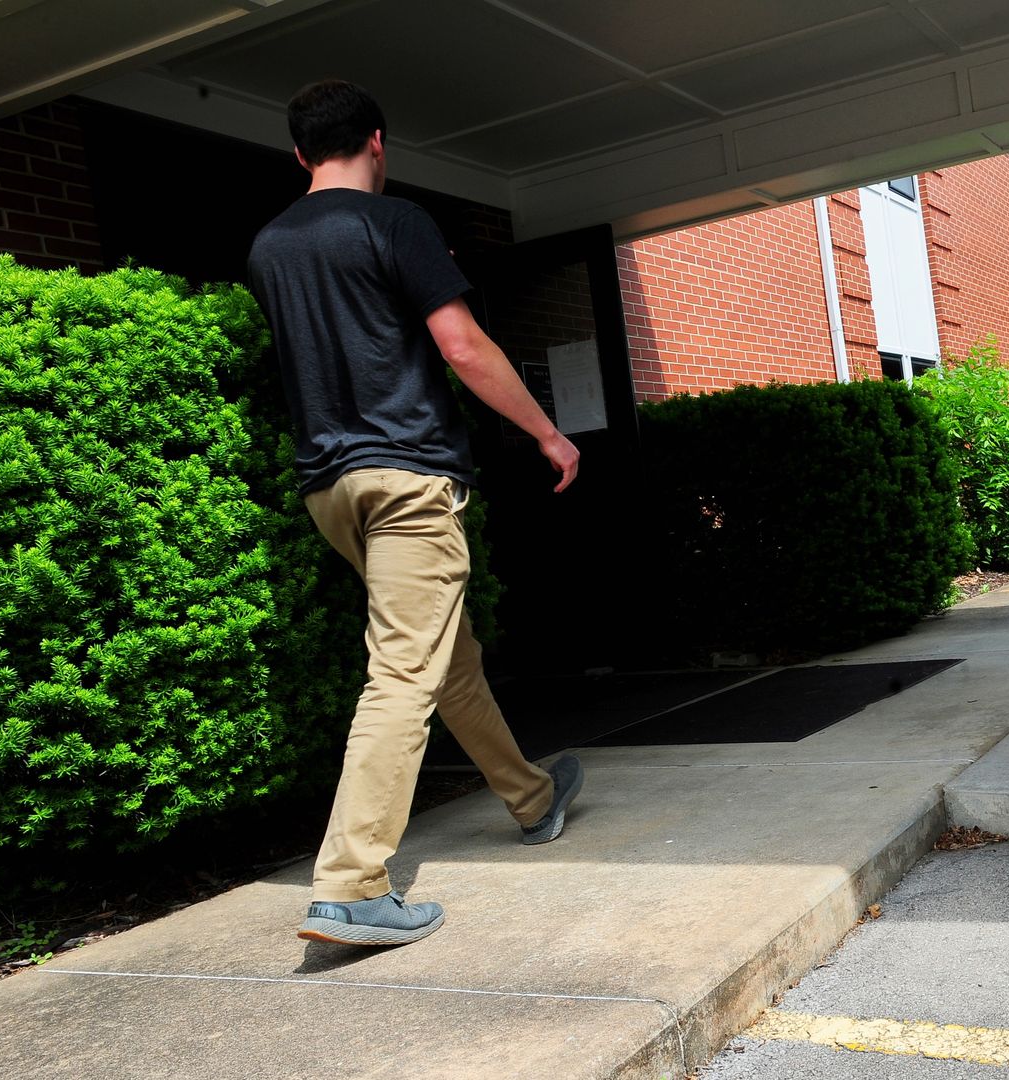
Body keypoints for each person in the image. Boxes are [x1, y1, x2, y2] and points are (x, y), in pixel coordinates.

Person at [248, 80, 584, 947]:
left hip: (331, 489)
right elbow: (462, 345)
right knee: (404, 670)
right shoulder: (396, 225)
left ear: (299, 154)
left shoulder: (271, 246)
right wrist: (547, 433)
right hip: (405, 481)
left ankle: (533, 797)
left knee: (448, 656)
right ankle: (353, 885)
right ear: (378, 142)